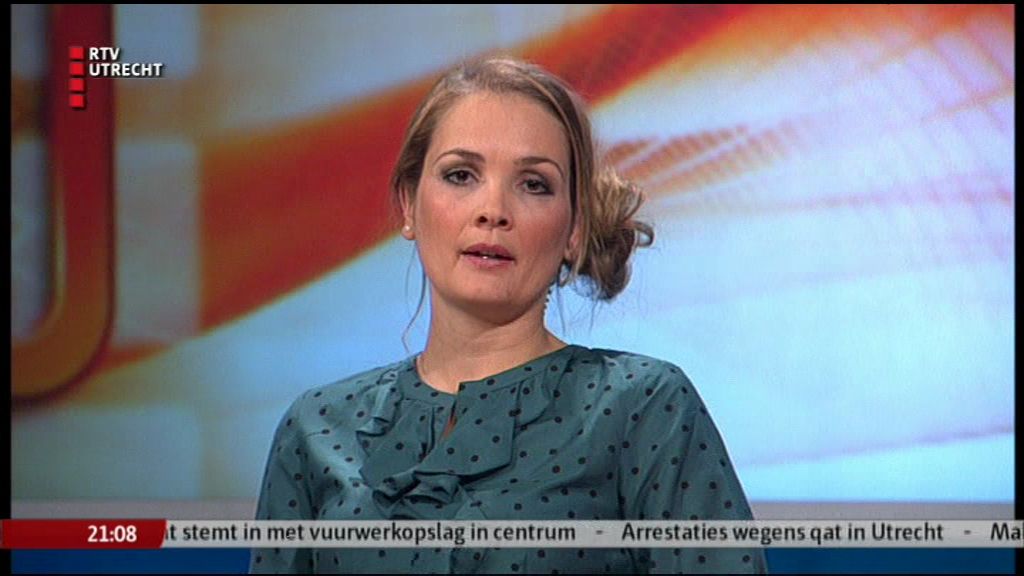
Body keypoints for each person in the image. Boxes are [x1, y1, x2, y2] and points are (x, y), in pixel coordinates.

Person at [250, 57, 767, 574]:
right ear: (409, 205)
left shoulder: (643, 406)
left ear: (574, 230)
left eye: (534, 184)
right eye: (461, 175)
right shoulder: (317, 428)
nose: (493, 210)